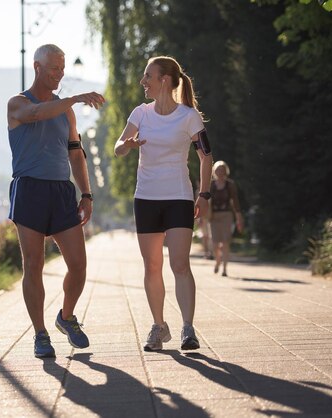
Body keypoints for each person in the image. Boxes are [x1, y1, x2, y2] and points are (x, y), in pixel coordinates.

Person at [6, 44, 105, 358]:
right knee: (33, 265)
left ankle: (66, 316)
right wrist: (72, 99)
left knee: (78, 265)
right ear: (37, 67)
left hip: (62, 191)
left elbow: (75, 152)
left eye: (62, 69)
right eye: (54, 69)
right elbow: (36, 113)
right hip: (29, 190)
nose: (60, 74)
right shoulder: (18, 103)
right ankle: (40, 334)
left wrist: (86, 194)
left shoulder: (67, 112)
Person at [114, 56, 213, 352]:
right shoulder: (140, 114)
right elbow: (119, 147)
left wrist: (204, 194)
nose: (143, 82)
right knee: (152, 266)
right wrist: (127, 145)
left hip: (179, 197)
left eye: (148, 76)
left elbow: (206, 156)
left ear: (164, 80)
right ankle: (159, 326)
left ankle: (187, 329)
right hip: (146, 198)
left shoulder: (188, 116)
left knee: (180, 264)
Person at [209, 160, 243, 277]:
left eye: (222, 170)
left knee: (225, 242)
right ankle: (218, 260)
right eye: (218, 170)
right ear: (214, 171)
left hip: (226, 215)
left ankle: (224, 268)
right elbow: (206, 201)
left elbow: (235, 201)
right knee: (214, 243)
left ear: (226, 171)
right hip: (213, 216)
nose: (220, 172)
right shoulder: (211, 185)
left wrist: (239, 218)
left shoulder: (230, 184)